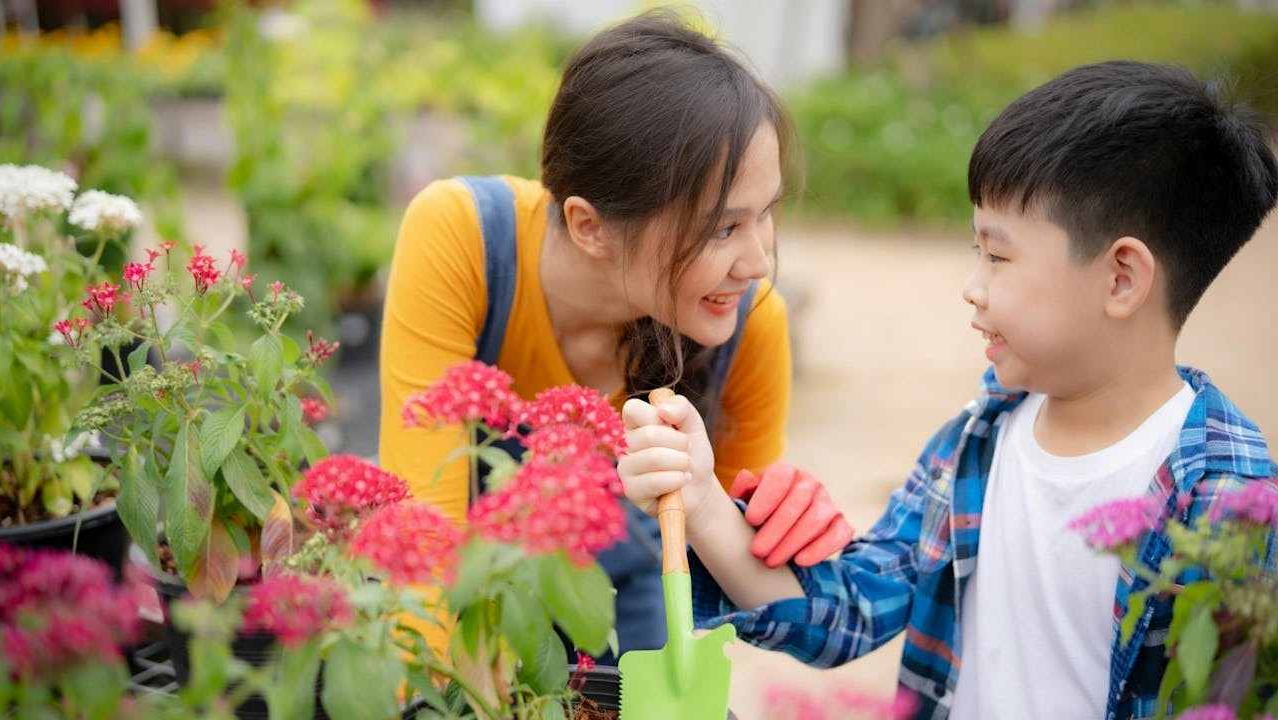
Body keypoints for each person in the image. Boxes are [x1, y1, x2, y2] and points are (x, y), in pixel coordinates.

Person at [619, 60, 1278, 718]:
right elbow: (850, 607)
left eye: (998, 256)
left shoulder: (1228, 494)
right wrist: (701, 498)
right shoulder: (982, 439)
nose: (974, 286)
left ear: (1121, 278)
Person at [378, 10, 853, 660]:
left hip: (624, 660)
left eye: (764, 215)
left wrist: (768, 536)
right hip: (464, 647)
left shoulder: (749, 326)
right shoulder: (465, 241)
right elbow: (424, 540)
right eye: (722, 228)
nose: (760, 263)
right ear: (589, 226)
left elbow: (738, 601)